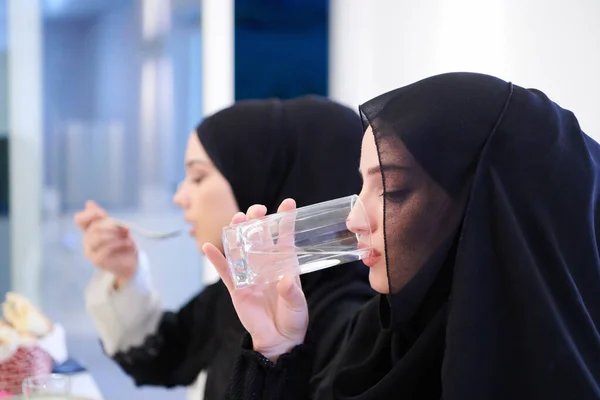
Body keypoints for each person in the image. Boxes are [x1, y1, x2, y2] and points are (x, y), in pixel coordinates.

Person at [204, 72, 600, 399]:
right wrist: (275, 354)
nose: (355, 219)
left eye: (390, 189)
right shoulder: (374, 344)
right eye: (361, 188)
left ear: (481, 209)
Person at [74, 96, 375, 400]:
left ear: (259, 181)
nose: (180, 196)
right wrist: (126, 272)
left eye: (198, 176)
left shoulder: (355, 331)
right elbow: (160, 357)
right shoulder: (239, 293)